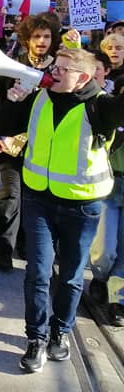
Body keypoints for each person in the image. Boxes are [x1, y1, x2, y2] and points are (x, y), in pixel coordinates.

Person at [0, 48, 118, 372]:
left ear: (84, 78)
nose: (54, 72)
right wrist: (14, 101)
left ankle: (60, 331)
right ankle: (36, 338)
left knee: (71, 276)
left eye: (64, 69)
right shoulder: (39, 97)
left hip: (82, 205)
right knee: (37, 272)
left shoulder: (102, 106)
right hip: (39, 200)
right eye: (55, 66)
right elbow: (6, 130)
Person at [0, 12, 60, 271]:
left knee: (34, 200)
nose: (42, 41)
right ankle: (4, 250)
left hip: (44, 147)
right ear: (27, 39)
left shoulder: (58, 72)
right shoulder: (13, 68)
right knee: (10, 198)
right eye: (37, 36)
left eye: (46, 36)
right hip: (14, 144)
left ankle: (27, 244)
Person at [89, 74, 124, 327]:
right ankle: (100, 278)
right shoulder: (111, 117)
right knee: (105, 248)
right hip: (110, 186)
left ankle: (118, 300)